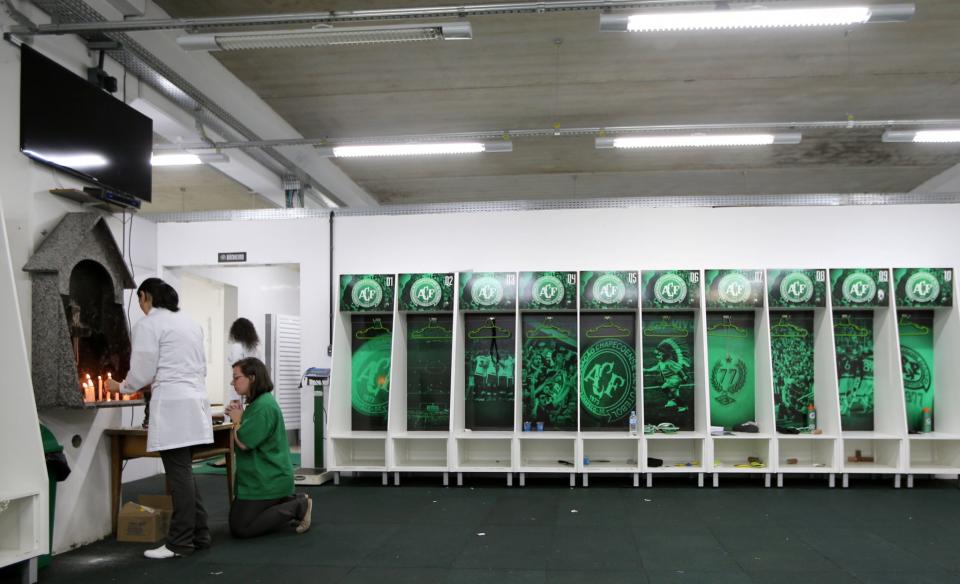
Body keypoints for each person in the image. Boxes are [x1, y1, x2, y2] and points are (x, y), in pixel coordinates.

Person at [107, 277, 212, 559]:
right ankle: (199, 534)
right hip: (194, 401)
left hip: (174, 405)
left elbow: (142, 370)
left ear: (145, 296)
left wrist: (121, 387)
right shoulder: (189, 322)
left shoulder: (149, 324)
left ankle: (180, 543)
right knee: (184, 473)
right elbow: (201, 365)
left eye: (140, 300)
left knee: (179, 475)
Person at [225, 357, 312, 538]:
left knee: (241, 527)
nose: (233, 382)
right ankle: (290, 500)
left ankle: (298, 506)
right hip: (262, 478)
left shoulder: (263, 406)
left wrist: (237, 420)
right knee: (237, 520)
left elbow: (244, 442)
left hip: (268, 479)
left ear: (253, 378)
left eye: (237, 377)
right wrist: (240, 416)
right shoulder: (258, 403)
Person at [225, 317, 263, 405]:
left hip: (240, 389)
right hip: (254, 388)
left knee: (238, 414)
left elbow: (237, 370)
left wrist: (234, 398)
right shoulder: (256, 349)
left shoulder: (237, 347)